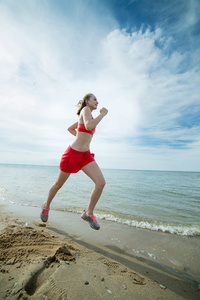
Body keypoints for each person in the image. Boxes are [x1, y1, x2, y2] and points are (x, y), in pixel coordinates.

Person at [40, 93, 108, 230]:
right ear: (87, 101)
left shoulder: (87, 114)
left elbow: (72, 128)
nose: (97, 102)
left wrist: (81, 137)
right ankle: (46, 206)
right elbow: (88, 126)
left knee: (100, 182)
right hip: (72, 154)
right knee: (58, 184)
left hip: (86, 156)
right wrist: (103, 115)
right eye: (95, 99)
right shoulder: (85, 110)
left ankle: (88, 213)